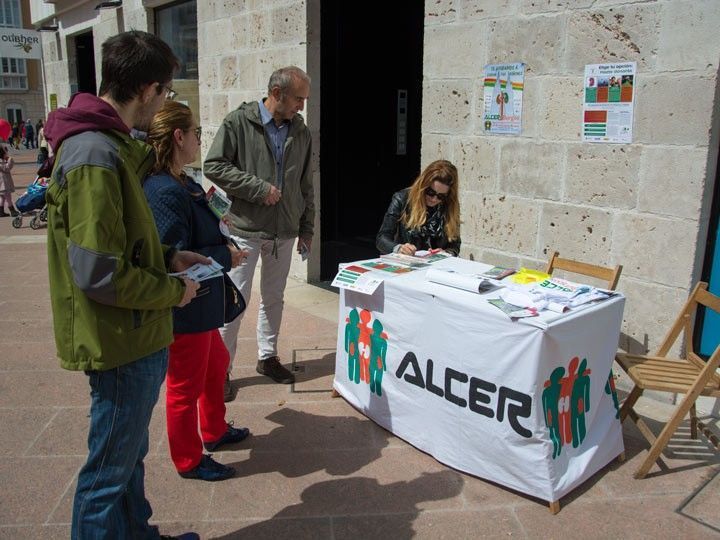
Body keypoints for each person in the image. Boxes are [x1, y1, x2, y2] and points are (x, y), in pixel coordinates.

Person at [44, 30, 204, 540]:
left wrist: (167, 256)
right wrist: (172, 291)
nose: (165, 102)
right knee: (107, 474)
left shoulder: (108, 145)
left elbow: (120, 243)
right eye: (166, 92)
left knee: (128, 456)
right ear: (148, 89)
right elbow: (98, 272)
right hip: (120, 337)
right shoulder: (94, 153)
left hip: (132, 332)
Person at [144, 101, 250, 481]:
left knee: (216, 365)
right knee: (184, 387)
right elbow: (172, 256)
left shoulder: (182, 181)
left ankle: (215, 430)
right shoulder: (164, 190)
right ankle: (188, 460)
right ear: (178, 137)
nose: (198, 140)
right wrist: (226, 254)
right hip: (187, 305)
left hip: (202, 303)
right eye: (196, 133)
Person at [204, 65, 314, 391]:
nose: (302, 106)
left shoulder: (301, 132)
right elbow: (214, 165)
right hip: (245, 230)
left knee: (274, 297)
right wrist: (257, 188)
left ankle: (268, 357)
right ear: (277, 93)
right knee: (234, 300)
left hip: (285, 231)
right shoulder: (238, 123)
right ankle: (220, 370)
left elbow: (306, 185)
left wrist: (306, 227)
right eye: (298, 98)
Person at [376, 159, 461, 256]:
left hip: (436, 265)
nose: (434, 199)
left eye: (441, 196)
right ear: (423, 186)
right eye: (430, 192)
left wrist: (445, 253)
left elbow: (455, 244)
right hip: (406, 263)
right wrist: (399, 248)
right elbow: (381, 239)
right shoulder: (402, 199)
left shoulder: (450, 205)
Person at [0, 145, 18, 217]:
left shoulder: (2, 162)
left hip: (1, 185)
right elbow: (7, 168)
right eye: (6, 153)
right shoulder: (1, 163)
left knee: (2, 198)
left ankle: (1, 212)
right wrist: (10, 160)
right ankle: (12, 211)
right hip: (4, 184)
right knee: (8, 198)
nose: (7, 154)